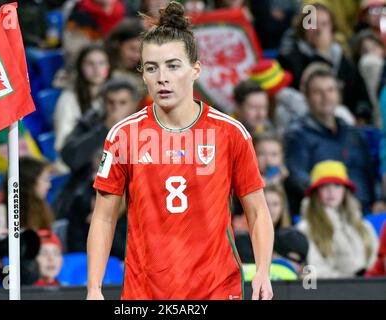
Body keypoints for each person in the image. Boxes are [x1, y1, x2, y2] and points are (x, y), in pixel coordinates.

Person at [86, 1, 274, 300]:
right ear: (143, 75)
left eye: (173, 66)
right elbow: (104, 218)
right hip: (145, 292)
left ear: (195, 69)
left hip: (216, 288)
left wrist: (263, 269)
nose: (162, 77)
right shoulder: (123, 135)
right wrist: (94, 288)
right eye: (152, 68)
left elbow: (257, 210)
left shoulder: (230, 133)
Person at [58, 77, 139, 253]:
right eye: (110, 102)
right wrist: (104, 129)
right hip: (85, 196)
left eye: (122, 103)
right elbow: (70, 157)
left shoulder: (145, 127)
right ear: (102, 102)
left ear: (133, 105)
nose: (115, 108)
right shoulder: (89, 124)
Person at [284, 65, 377, 214]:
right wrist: (336, 200)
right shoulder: (297, 136)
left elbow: (369, 172)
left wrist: (378, 200)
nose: (326, 96)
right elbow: (299, 179)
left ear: (338, 94)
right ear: (306, 97)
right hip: (326, 215)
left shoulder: (353, 133)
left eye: (330, 90)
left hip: (366, 212)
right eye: (317, 92)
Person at [297, 160, 379, 278]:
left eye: (337, 185)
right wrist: (353, 280)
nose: (331, 191)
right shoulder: (306, 228)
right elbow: (313, 271)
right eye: (325, 186)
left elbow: (376, 262)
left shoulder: (364, 226)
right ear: (315, 192)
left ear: (345, 191)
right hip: (332, 292)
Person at [54, 43, 110, 152]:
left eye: (102, 63)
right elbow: (63, 144)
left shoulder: (114, 97)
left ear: (108, 66)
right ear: (80, 67)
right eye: (90, 64)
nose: (96, 69)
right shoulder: (68, 99)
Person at [0, 157, 55, 232]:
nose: (49, 185)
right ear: (30, 182)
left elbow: (50, 237)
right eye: (45, 180)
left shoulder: (39, 204)